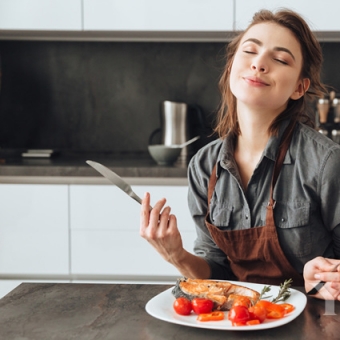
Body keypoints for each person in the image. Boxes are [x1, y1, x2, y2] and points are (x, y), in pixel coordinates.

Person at [140, 8, 340, 301]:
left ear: (299, 87)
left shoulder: (326, 163)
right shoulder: (203, 166)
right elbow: (216, 276)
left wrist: (324, 281)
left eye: (280, 59)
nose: (259, 64)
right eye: (250, 51)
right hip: (236, 321)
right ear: (232, 65)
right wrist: (175, 254)